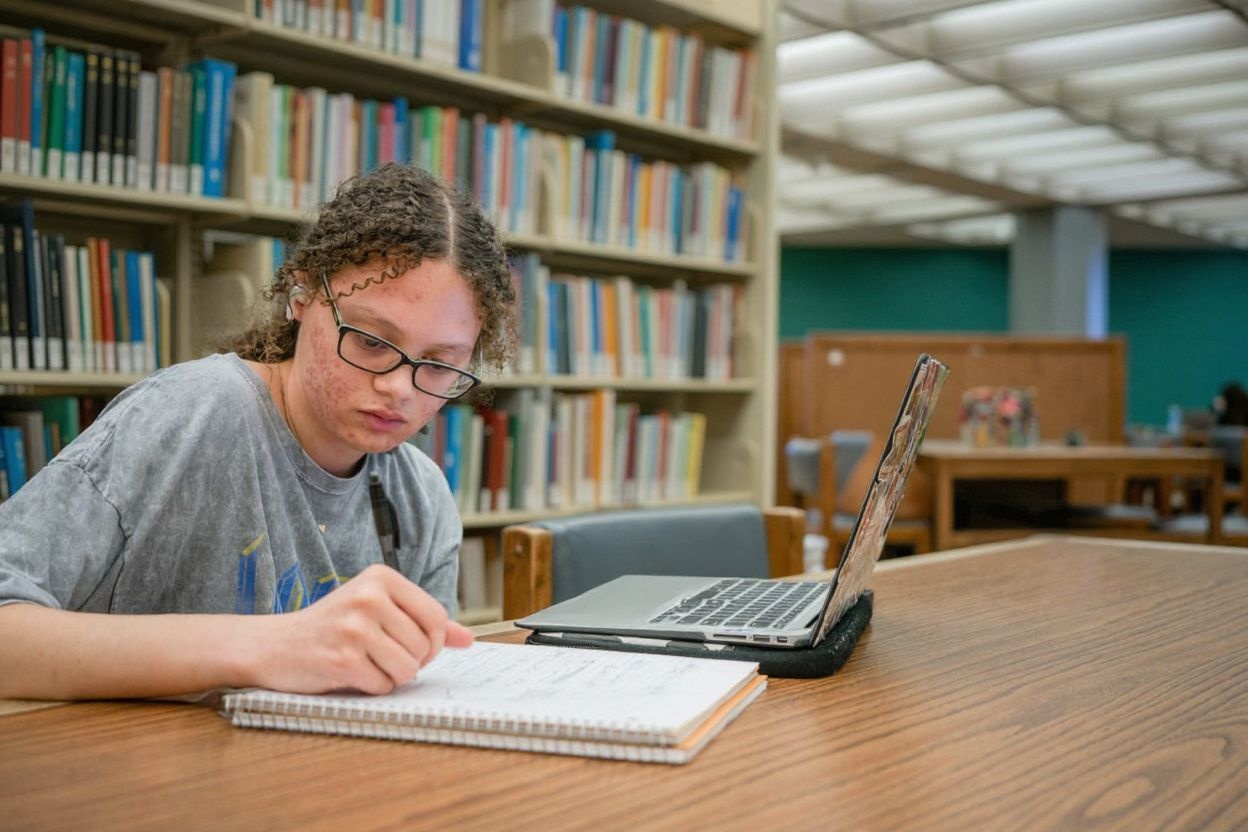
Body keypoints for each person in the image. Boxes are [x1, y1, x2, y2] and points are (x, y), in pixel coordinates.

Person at [0, 163, 517, 700]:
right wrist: (269, 647)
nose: (399, 388)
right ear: (302, 297)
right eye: (370, 341)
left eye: (439, 364)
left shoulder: (421, 497)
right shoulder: (195, 411)